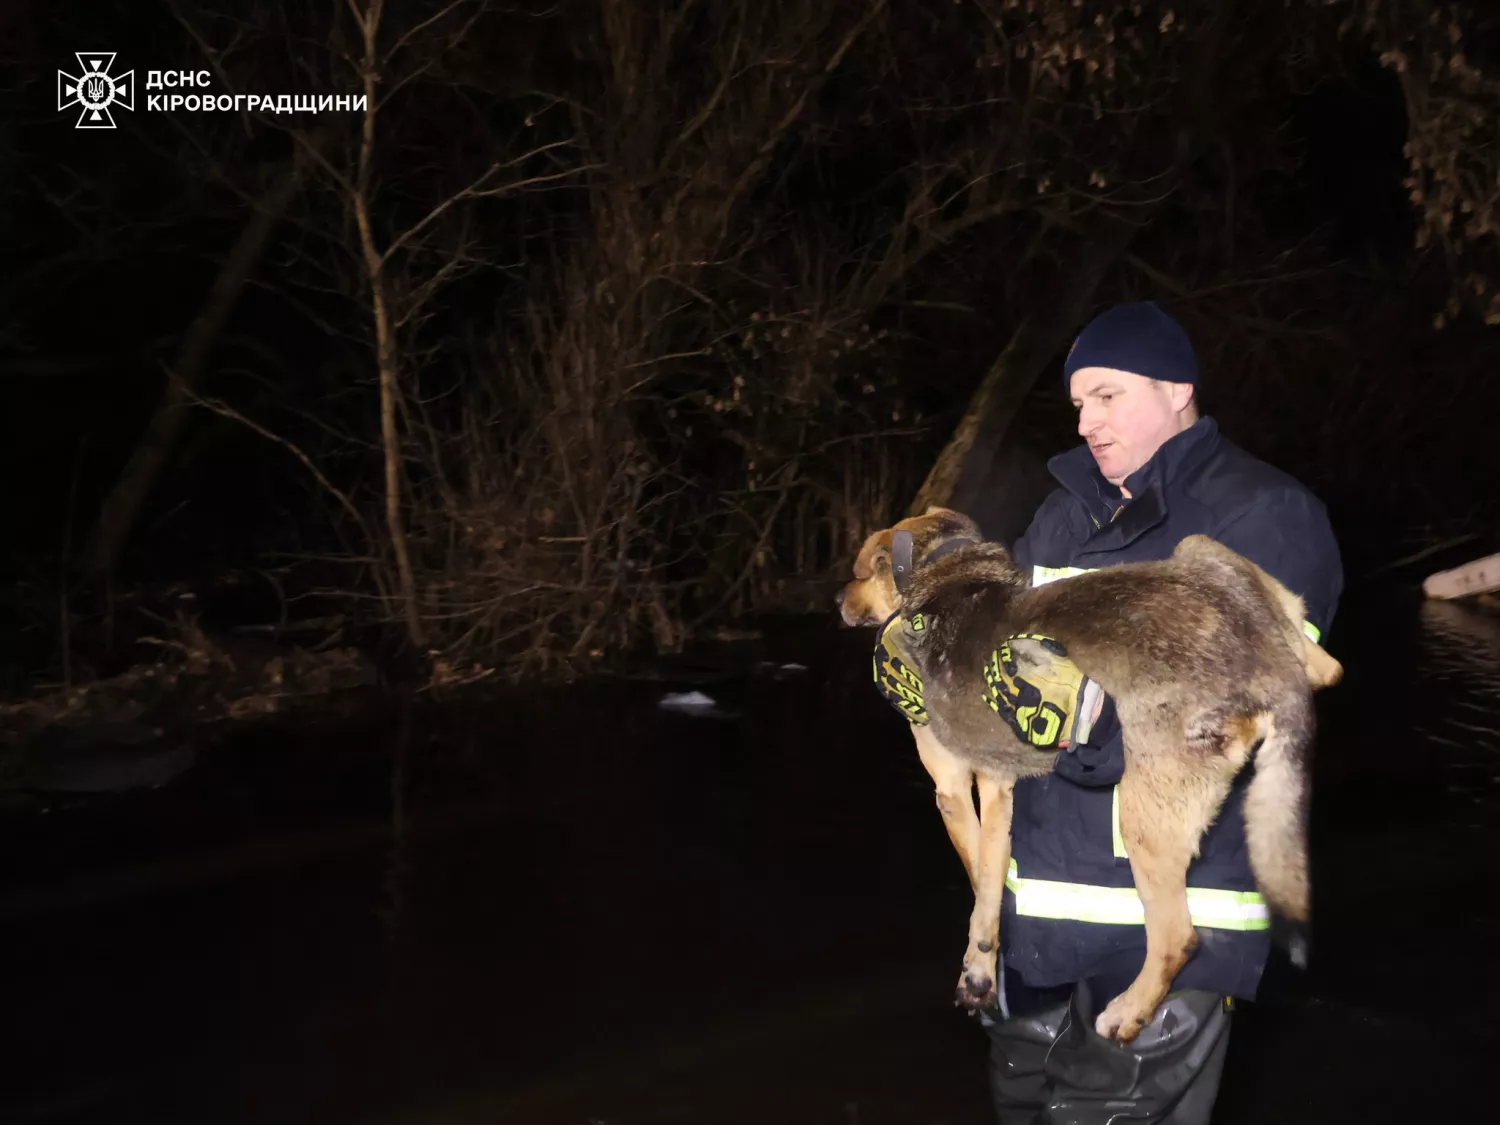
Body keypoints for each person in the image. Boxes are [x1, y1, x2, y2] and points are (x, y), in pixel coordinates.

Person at [981, 301, 1344, 1124]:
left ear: (1177, 388)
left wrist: (1088, 719)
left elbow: (1237, 694)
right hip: (1037, 917)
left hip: (1167, 930)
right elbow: (1009, 663)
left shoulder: (1265, 513)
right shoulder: (1061, 513)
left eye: (1108, 395)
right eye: (1078, 403)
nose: (1088, 420)